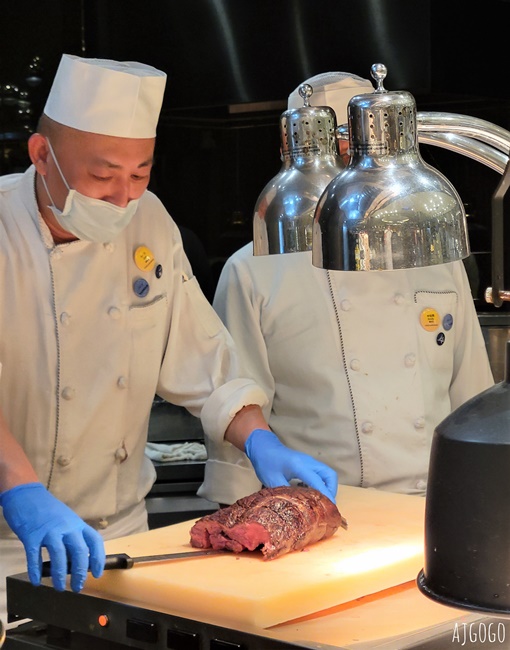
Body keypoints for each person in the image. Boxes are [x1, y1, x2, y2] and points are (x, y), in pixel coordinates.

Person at [0, 54, 338, 621]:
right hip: (10, 541)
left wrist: (260, 439)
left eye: (140, 173)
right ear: (41, 154)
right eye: (102, 176)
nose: (122, 198)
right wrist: (21, 491)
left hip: (122, 542)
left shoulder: (150, 222)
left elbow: (200, 356)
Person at [197, 71, 495, 507]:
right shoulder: (254, 269)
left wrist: (483, 496)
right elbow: (239, 405)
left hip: (432, 504)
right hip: (317, 510)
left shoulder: (432, 252)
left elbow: (472, 397)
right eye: (329, 155)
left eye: (357, 155)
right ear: (292, 153)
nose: (346, 176)